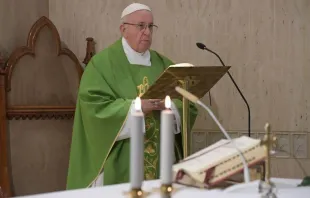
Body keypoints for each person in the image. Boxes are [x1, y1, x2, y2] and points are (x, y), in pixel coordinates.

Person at [66, 3, 198, 189]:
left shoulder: (164, 65)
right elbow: (94, 109)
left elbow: (188, 103)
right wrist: (136, 107)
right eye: (141, 26)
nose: (147, 32)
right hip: (120, 160)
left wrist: (170, 106)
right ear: (123, 29)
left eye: (151, 26)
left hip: (162, 159)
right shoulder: (102, 64)